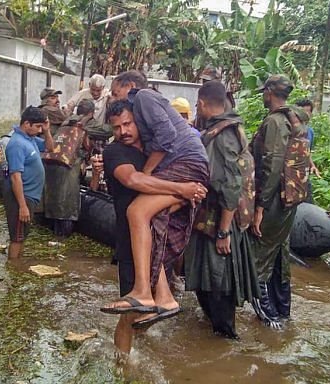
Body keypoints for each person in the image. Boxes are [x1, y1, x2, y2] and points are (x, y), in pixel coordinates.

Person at [93, 100, 207, 352]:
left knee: (151, 310)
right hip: (130, 246)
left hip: (156, 242)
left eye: (127, 123)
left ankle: (143, 357)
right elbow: (134, 180)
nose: (123, 131)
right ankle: (123, 365)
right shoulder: (115, 153)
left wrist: (188, 194)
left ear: (138, 121)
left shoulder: (156, 150)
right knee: (130, 315)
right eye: (116, 127)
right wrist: (182, 189)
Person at [184, 81, 259, 339]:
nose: (198, 109)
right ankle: (216, 332)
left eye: (197, 105)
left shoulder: (223, 135)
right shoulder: (226, 129)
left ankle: (226, 338)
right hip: (215, 218)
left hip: (219, 221)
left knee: (218, 280)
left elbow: (230, 184)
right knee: (209, 280)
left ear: (203, 103)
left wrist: (223, 232)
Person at [249, 75, 305, 329]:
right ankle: (283, 313)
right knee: (279, 255)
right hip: (289, 199)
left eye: (264, 92)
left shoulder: (274, 121)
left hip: (273, 200)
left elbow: (271, 165)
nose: (262, 96)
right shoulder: (294, 120)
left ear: (270, 92)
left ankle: (269, 320)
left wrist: (259, 205)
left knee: (259, 258)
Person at [3, 106, 54, 262]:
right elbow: (15, 177)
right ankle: (13, 268)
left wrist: (46, 130)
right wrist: (23, 206)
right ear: (26, 124)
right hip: (21, 197)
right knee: (17, 237)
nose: (39, 130)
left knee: (22, 234)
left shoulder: (29, 139)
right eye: (37, 126)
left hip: (29, 196)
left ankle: (16, 263)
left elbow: (50, 148)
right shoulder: (17, 144)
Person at [41, 100, 92, 237]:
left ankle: (54, 229)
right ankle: (63, 234)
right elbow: (107, 130)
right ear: (91, 113)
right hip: (68, 165)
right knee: (68, 201)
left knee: (55, 198)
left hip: (52, 162)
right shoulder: (87, 123)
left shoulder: (66, 120)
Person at [294, 99, 321, 203]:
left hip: (304, 174)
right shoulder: (289, 130)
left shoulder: (310, 132)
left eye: (306, 112)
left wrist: (312, 165)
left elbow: (307, 152)